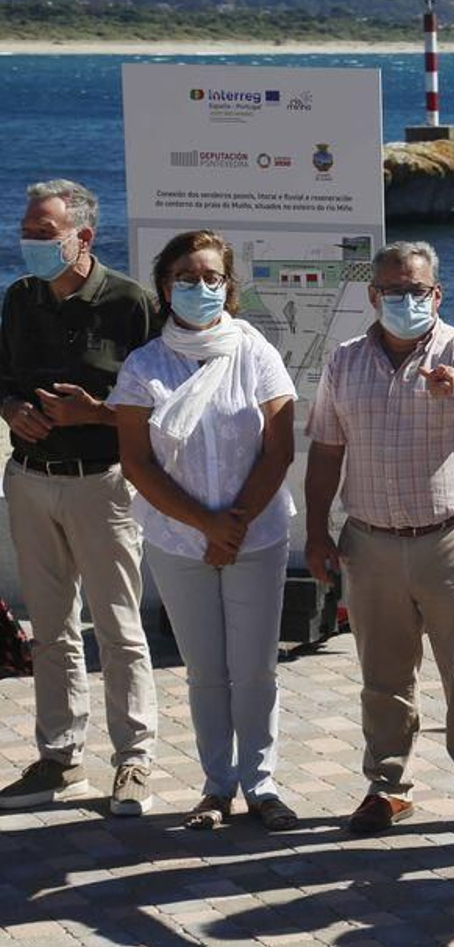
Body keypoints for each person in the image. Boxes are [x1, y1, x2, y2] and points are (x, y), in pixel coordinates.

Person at [304, 240, 454, 843]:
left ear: (436, 294)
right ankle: (387, 788)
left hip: (451, 537)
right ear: (373, 297)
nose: (404, 300)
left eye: (416, 290)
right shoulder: (344, 362)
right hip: (369, 542)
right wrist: (317, 531)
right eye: (392, 291)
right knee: (383, 675)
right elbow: (326, 448)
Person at [108, 230, 299, 831]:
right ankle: (216, 786)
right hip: (177, 540)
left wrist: (233, 524)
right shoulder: (144, 365)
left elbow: (279, 446)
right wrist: (206, 525)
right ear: (165, 288)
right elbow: (137, 461)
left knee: (256, 667)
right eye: (186, 279)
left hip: (257, 536)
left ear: (228, 286)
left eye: (210, 278)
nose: (199, 287)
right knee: (205, 670)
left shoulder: (255, 351)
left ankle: (262, 785)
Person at [0, 180, 159, 815]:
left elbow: (161, 400)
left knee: (119, 628)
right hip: (32, 481)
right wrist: (11, 407)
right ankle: (60, 759)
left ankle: (135, 760)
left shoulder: (130, 302)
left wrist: (93, 414)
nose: (29, 244)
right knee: (51, 631)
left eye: (43, 234)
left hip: (105, 486)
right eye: (27, 231)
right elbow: (3, 379)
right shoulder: (18, 298)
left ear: (81, 237)